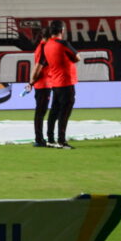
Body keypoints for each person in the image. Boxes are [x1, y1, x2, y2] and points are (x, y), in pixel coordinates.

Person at [43, 20, 79, 149]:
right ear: (62, 30)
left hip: (55, 83)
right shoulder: (63, 43)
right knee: (64, 113)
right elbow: (78, 57)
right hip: (66, 82)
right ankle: (61, 141)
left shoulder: (46, 45)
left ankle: (50, 139)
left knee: (54, 112)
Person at [26, 25, 51, 147]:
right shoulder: (44, 48)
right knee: (40, 113)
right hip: (43, 84)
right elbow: (38, 67)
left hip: (42, 84)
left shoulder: (40, 46)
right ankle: (39, 139)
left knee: (40, 112)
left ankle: (40, 138)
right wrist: (31, 82)